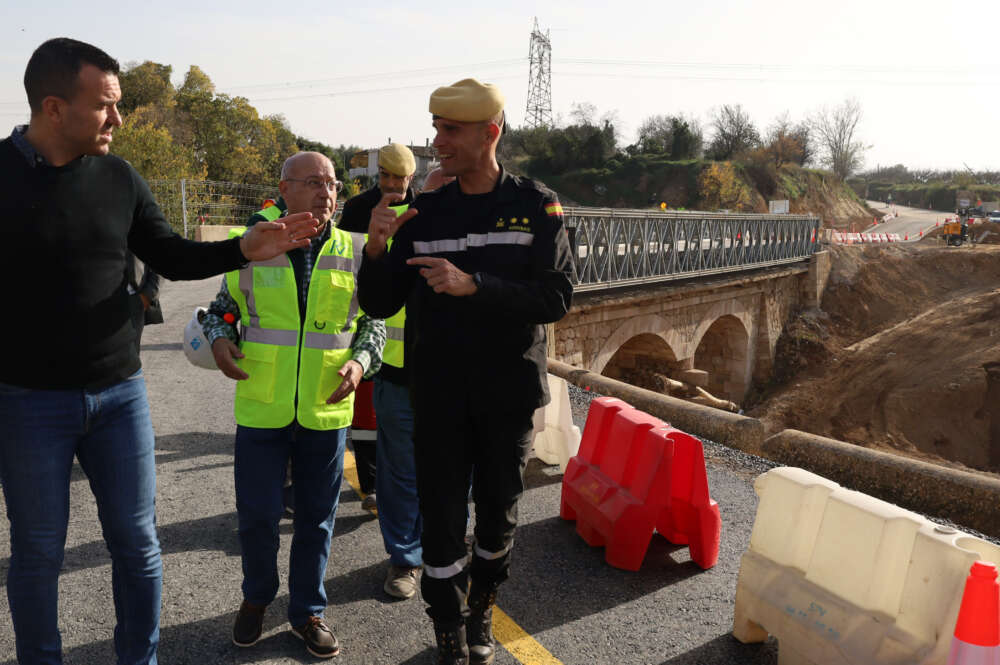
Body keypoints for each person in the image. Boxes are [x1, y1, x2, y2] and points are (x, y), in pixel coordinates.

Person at [0, 38, 319, 665]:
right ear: (55, 108)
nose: (119, 121)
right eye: (106, 107)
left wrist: (241, 249)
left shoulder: (118, 176)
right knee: (38, 553)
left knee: (138, 545)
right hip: (28, 404)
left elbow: (171, 253)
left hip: (120, 396)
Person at [358, 78, 574, 665]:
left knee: (500, 517)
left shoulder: (537, 206)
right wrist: (375, 252)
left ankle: (481, 613)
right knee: (443, 522)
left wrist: (474, 284)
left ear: (490, 133)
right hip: (441, 395)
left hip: (506, 396)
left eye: (449, 130)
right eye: (436, 128)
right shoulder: (424, 212)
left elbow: (555, 297)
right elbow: (379, 304)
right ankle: (447, 626)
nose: (437, 141)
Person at [201, 151, 385, 660]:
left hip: (326, 408)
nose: (327, 192)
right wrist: (219, 341)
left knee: (317, 518)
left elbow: (375, 321)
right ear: (284, 190)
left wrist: (360, 364)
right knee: (257, 515)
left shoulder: (353, 248)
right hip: (263, 405)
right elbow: (220, 311)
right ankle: (257, 598)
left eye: (332, 184)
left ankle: (307, 612)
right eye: (313, 182)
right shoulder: (253, 245)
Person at [339, 143, 423, 600]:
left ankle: (442, 546)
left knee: (442, 467)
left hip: (438, 365)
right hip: (383, 357)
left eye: (401, 180)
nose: (393, 186)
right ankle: (405, 558)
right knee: (396, 469)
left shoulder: (428, 211)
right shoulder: (355, 210)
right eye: (387, 178)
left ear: (412, 179)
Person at [126, 250, 163, 351]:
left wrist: (148, 295)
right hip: (96, 301)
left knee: (130, 356)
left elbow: (159, 256)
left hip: (133, 299)